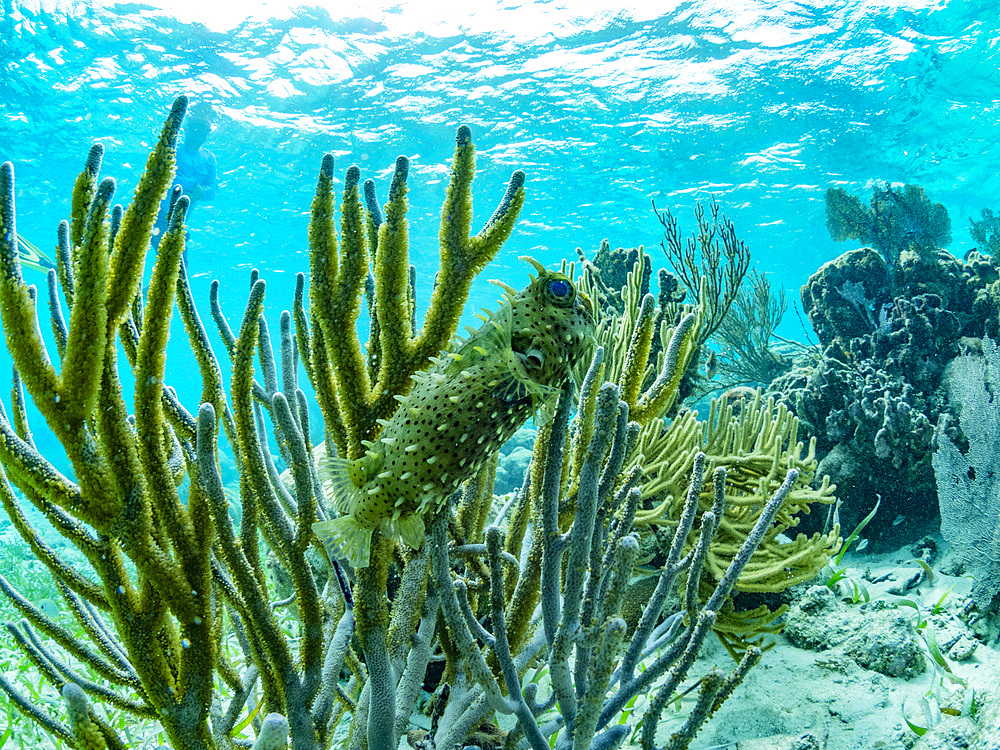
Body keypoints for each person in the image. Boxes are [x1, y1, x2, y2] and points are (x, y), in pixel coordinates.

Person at [153, 101, 218, 259]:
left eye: (203, 130)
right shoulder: (173, 150)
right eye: (195, 128)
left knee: (179, 272)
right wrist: (192, 186)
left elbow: (213, 191)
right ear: (186, 128)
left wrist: (202, 193)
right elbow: (162, 177)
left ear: (208, 133)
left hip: (177, 223)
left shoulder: (210, 158)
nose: (198, 133)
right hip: (154, 215)